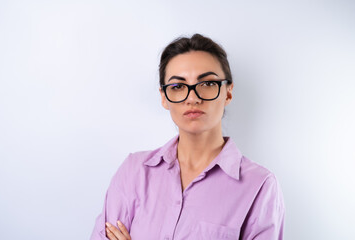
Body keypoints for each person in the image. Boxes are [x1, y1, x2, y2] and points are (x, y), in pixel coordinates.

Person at [90, 34, 285, 240]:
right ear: (165, 97)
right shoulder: (134, 172)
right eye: (177, 87)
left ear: (227, 93)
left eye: (207, 84)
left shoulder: (260, 186)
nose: (193, 98)